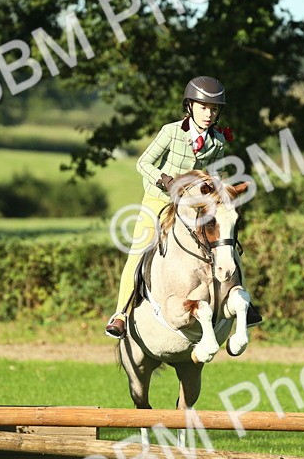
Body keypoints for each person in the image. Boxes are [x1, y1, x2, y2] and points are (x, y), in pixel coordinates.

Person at [105, 76, 260, 338]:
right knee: (138, 251)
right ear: (189, 107)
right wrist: (164, 180)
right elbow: (143, 163)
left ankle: (245, 301)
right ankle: (121, 312)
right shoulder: (171, 132)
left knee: (227, 243)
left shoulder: (218, 142)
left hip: (192, 207)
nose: (208, 114)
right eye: (203, 108)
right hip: (159, 200)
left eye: (213, 109)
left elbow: (213, 175)